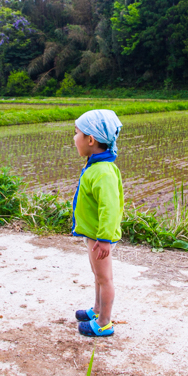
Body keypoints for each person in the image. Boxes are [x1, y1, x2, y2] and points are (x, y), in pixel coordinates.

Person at [72, 109, 124, 337]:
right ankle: (97, 310)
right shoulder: (95, 167)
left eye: (77, 133)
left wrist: (104, 239)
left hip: (99, 237)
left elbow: (110, 208)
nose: (74, 138)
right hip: (93, 234)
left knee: (105, 278)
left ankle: (104, 323)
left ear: (90, 140)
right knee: (98, 276)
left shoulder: (103, 172)